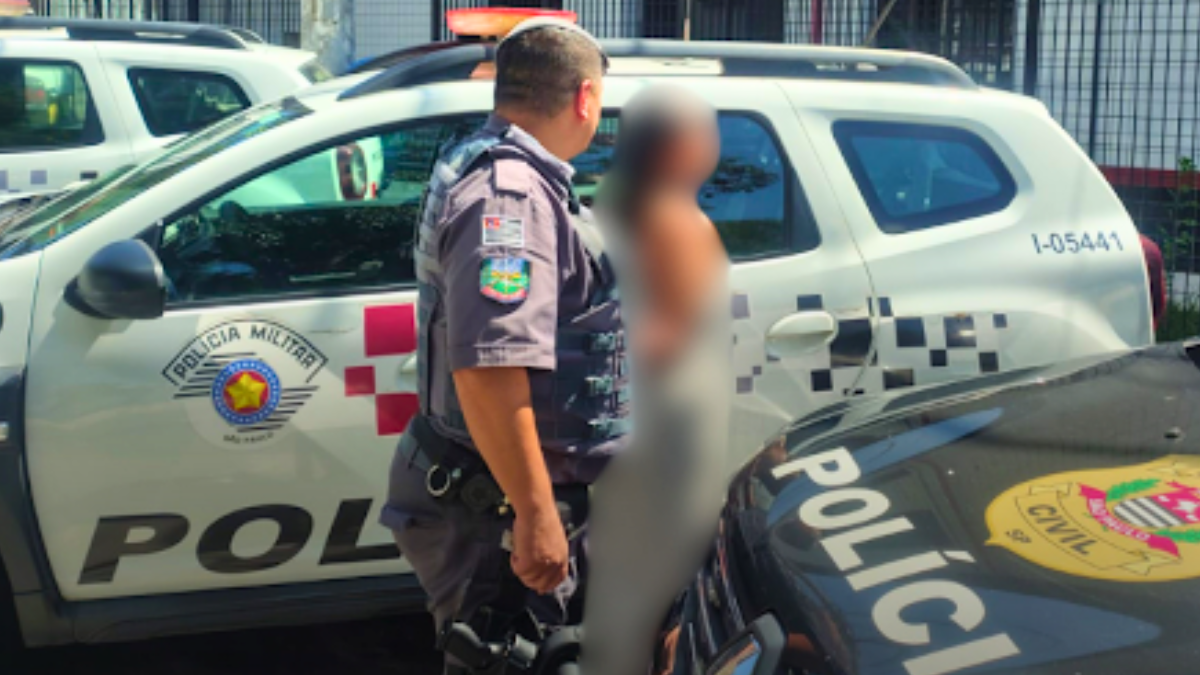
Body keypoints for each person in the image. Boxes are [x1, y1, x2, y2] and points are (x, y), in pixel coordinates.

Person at [378, 17, 628, 675]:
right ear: (584, 98)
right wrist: (535, 513)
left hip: (500, 494)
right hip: (493, 508)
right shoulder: (509, 197)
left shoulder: (497, 165)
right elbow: (490, 367)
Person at [580, 85, 732, 675]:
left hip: (628, 425)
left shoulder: (612, 200)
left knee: (624, 578)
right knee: (671, 579)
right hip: (669, 428)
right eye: (705, 133)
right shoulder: (673, 218)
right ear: (676, 147)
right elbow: (666, 335)